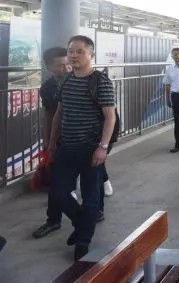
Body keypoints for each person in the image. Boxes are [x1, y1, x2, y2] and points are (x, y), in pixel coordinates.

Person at [49, 35, 116, 260]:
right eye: (71, 51)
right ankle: (81, 225)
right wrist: (51, 142)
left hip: (91, 148)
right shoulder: (66, 81)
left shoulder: (100, 82)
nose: (74, 55)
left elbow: (110, 117)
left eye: (80, 51)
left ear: (91, 55)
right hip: (66, 147)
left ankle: (83, 242)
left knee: (90, 197)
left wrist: (102, 147)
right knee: (58, 192)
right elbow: (59, 113)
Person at [32, 47, 71, 239]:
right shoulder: (47, 88)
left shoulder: (80, 79)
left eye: (67, 64)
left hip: (86, 139)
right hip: (60, 138)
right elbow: (49, 115)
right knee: (57, 183)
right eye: (60, 65)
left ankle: (95, 213)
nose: (66, 68)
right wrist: (48, 141)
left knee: (92, 180)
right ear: (48, 67)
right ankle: (53, 220)